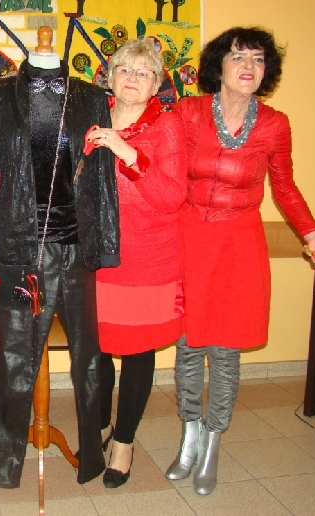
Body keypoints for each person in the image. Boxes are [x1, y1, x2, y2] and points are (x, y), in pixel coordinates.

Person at [166, 26, 315, 496]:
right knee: (189, 344)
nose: (249, 66)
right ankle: (189, 436)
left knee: (226, 349)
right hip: (189, 239)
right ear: (218, 66)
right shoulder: (188, 112)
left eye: (259, 59)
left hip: (239, 245)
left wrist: (310, 230)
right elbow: (159, 164)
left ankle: (213, 441)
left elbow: (284, 186)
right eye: (238, 56)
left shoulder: (275, 124)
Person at [0, 31, 120, 488]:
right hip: (19, 251)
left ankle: (92, 458)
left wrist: (107, 244)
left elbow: (102, 174)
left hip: (76, 249)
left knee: (88, 359)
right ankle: (0, 467)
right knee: (10, 357)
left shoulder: (92, 98)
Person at [85, 38, 187, 488]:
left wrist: (127, 154)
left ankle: (124, 442)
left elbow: (172, 196)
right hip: (97, 259)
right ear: (110, 77)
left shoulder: (167, 127)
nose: (132, 78)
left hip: (148, 259)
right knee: (98, 350)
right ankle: (101, 426)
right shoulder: (90, 118)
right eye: (125, 70)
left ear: (156, 84)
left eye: (144, 73)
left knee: (138, 352)